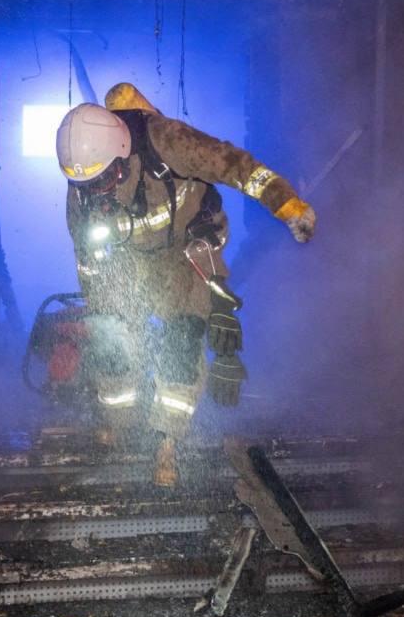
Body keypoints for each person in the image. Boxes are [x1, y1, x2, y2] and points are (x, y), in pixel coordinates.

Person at [55, 82, 315, 486]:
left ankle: (167, 444)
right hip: (127, 259)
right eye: (86, 187)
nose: (98, 194)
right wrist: (102, 311)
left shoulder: (168, 143)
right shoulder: (83, 192)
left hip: (183, 254)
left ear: (122, 157)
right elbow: (87, 260)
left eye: (104, 182)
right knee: (111, 344)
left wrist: (286, 203)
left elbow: (235, 164)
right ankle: (117, 424)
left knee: (181, 342)